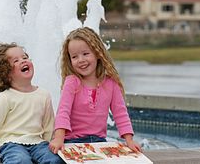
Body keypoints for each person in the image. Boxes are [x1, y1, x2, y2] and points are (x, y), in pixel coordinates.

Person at [49, 27, 142, 155]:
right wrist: (59, 138)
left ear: (98, 53)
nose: (81, 60)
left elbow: (120, 114)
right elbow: (63, 112)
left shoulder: (111, 83)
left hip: (99, 142)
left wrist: (129, 140)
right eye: (74, 57)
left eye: (86, 54)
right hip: (72, 142)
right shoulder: (72, 82)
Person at [0, 42, 63, 164]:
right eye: (15, 61)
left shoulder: (44, 95)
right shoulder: (5, 97)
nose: (23, 61)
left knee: (55, 160)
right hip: (10, 144)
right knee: (20, 160)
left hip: (38, 143)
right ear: (5, 73)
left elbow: (48, 126)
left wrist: (48, 148)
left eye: (24, 57)